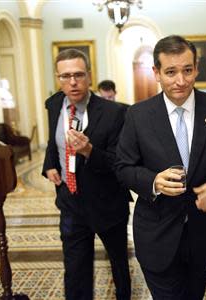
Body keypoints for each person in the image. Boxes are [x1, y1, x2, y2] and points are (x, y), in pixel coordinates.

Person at [116, 35, 206, 300]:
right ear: (156, 73)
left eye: (187, 70)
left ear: (197, 68)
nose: (181, 81)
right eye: (170, 72)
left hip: (204, 234)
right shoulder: (138, 115)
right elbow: (123, 167)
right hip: (156, 235)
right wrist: (153, 181)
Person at [42, 49, 132, 300]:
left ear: (89, 76)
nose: (72, 82)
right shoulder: (53, 104)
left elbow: (120, 163)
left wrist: (90, 151)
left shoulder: (115, 113)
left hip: (107, 204)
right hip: (70, 202)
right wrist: (49, 165)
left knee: (119, 265)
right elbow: (53, 141)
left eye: (79, 75)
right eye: (66, 76)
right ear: (58, 78)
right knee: (75, 270)